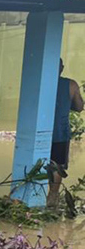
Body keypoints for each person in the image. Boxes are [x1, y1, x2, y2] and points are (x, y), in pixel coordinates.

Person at [48, 58, 85, 206]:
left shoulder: (38, 82)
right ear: (61, 68)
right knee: (57, 168)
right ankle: (52, 201)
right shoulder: (71, 85)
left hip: (38, 133)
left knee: (35, 167)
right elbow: (79, 107)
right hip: (59, 134)